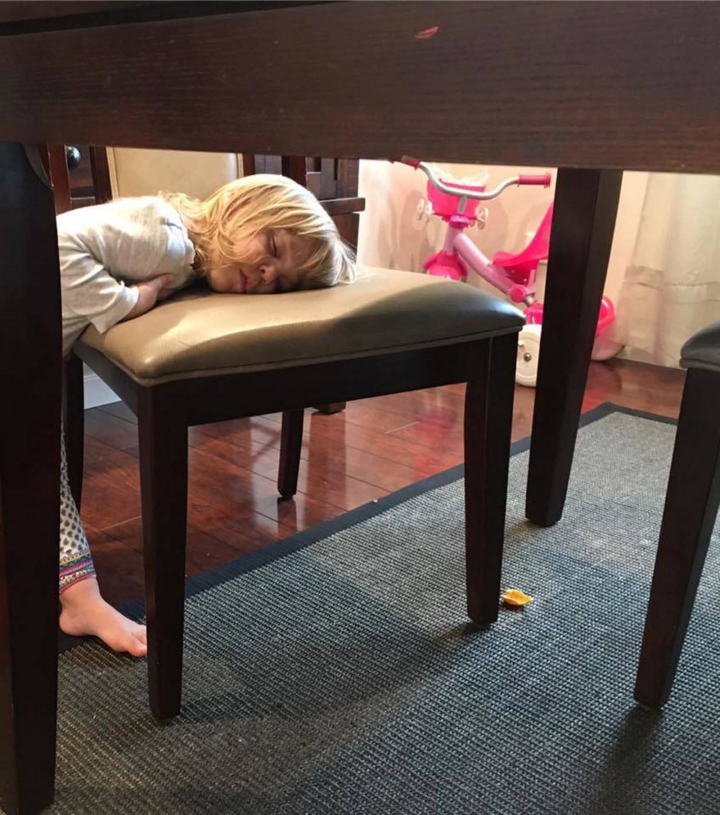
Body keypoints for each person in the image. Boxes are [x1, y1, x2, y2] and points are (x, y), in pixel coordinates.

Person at [57, 174, 356, 657]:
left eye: (282, 281)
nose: (266, 274)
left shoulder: (181, 255)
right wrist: (129, 301)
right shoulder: (166, 237)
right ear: (238, 207)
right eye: (272, 247)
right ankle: (81, 600)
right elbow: (56, 249)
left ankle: (79, 598)